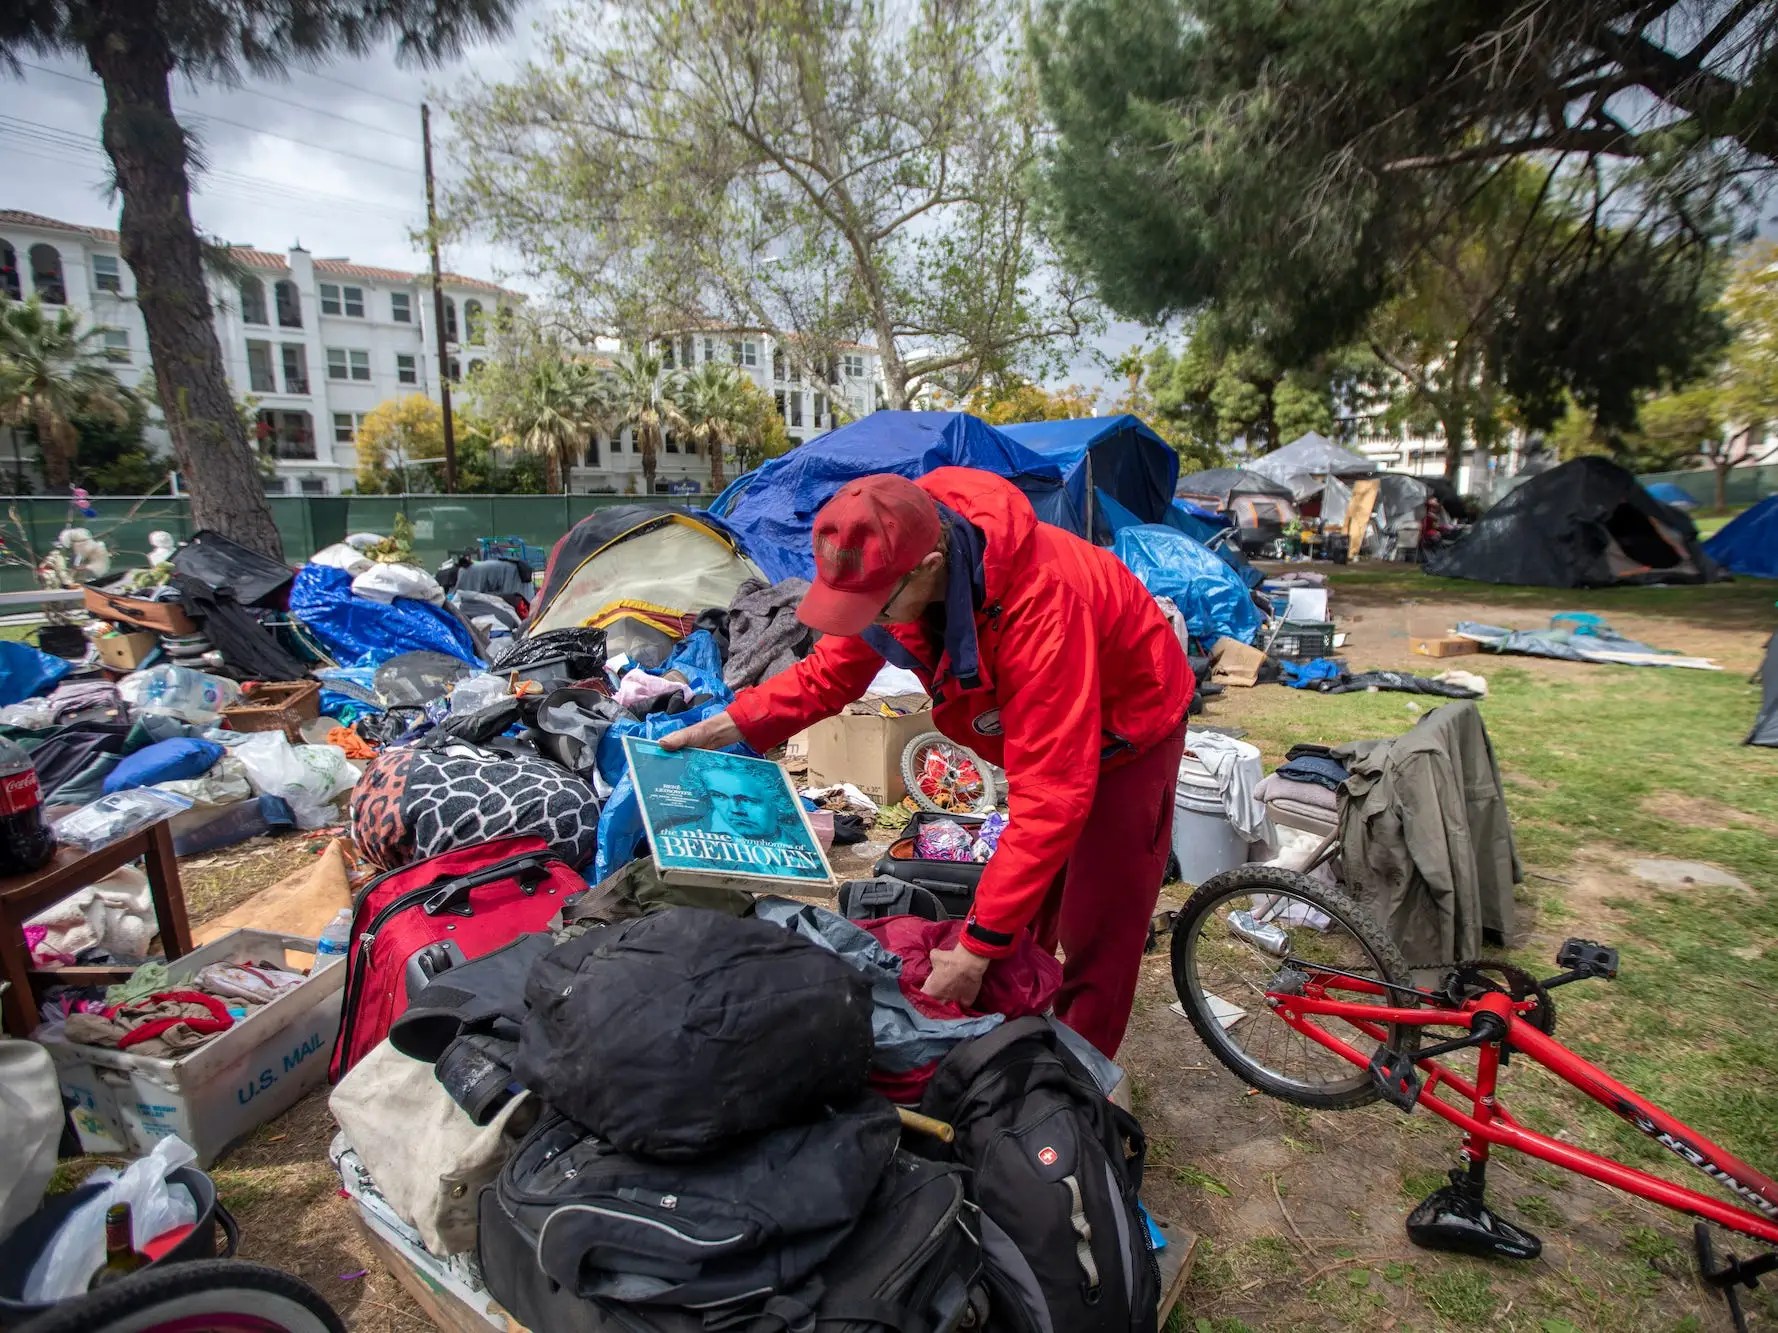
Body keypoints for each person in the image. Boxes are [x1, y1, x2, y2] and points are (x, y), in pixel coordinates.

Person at [666, 469, 1193, 1056]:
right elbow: (828, 674)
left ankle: (1077, 1088)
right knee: (1029, 901)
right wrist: (728, 723)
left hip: (1128, 730)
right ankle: (1017, 1023)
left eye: (874, 607)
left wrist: (973, 951)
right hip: (1044, 739)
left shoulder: (1042, 606)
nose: (866, 620)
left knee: (1099, 922)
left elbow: (1052, 796)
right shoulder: (893, 551)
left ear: (930, 567)